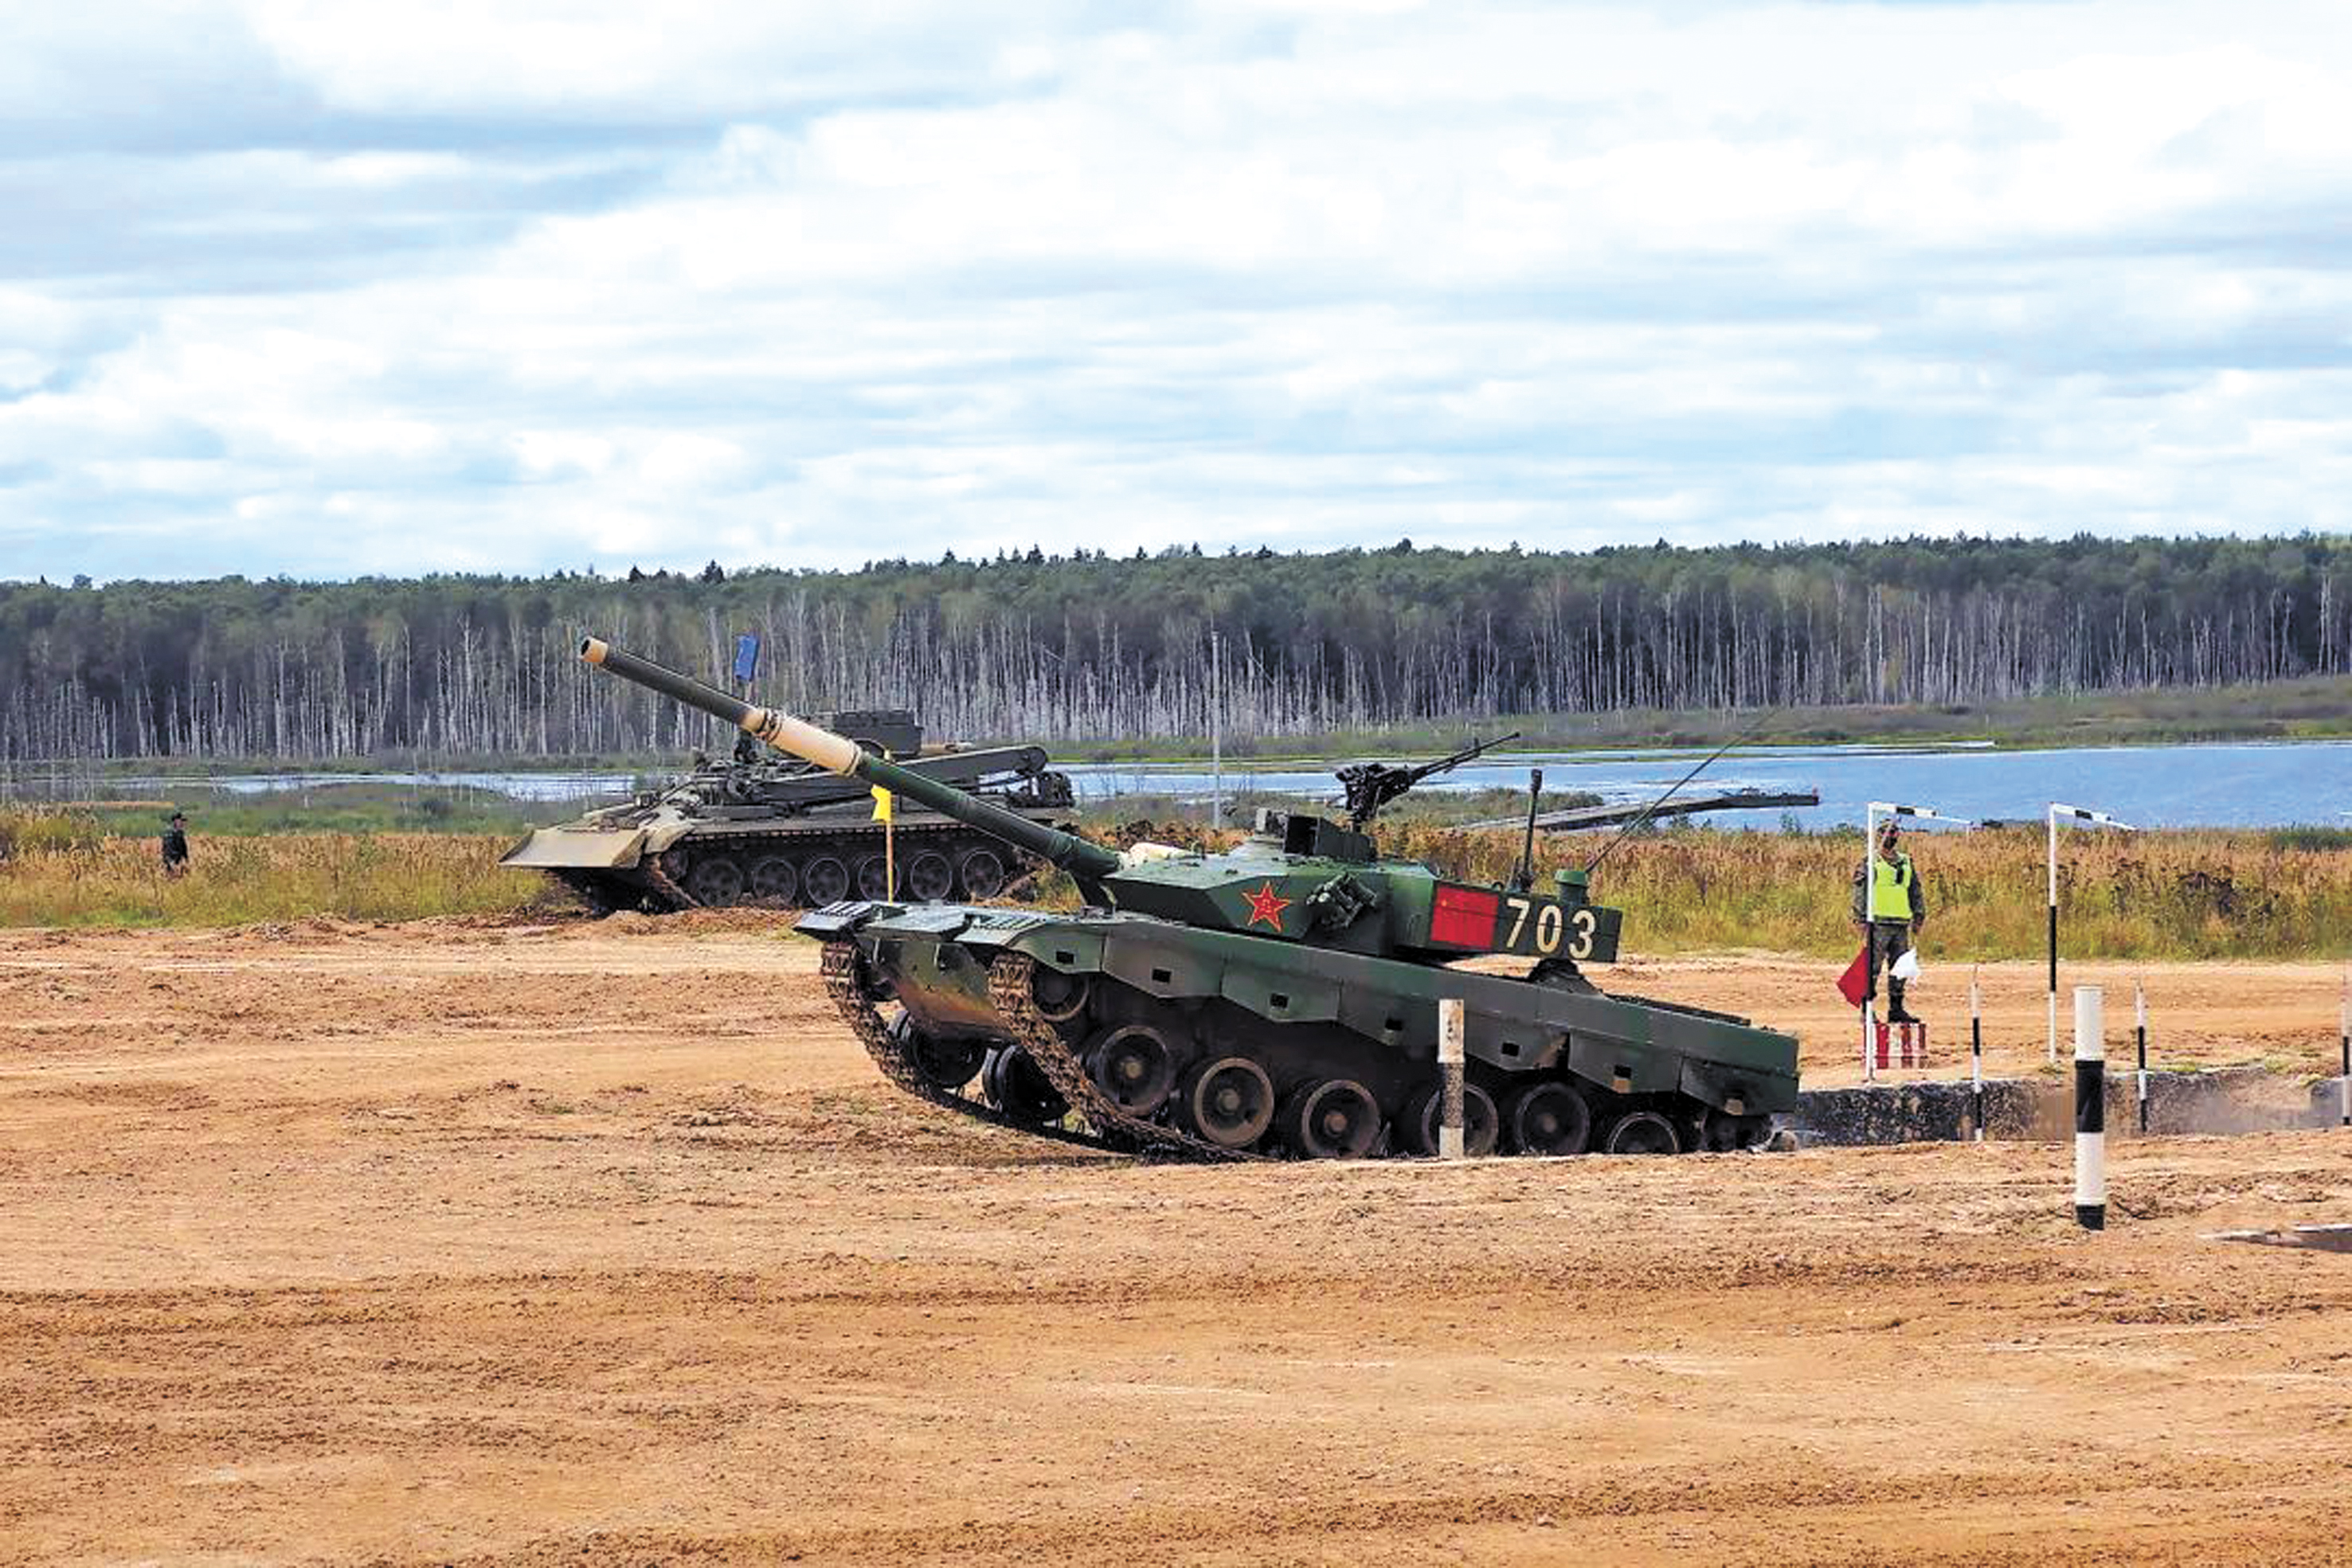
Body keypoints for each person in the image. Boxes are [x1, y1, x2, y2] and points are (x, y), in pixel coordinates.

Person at [1850, 819, 1927, 1023]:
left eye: (1895, 832)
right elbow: (1859, 890)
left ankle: (1896, 1009)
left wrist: (1919, 915)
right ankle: (1867, 1010)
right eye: (1888, 832)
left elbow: (1915, 889)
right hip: (1878, 923)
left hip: (1901, 923)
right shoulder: (1870, 861)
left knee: (1900, 968)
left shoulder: (1906, 861)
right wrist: (1860, 919)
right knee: (1872, 968)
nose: (1892, 835)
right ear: (1879, 834)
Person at [160, 811, 190, 876]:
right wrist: (176, 863)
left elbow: (183, 848)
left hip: (174, 862)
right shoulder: (173, 834)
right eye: (181, 821)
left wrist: (185, 859)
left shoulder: (177, 833)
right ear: (176, 822)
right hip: (174, 862)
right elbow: (169, 850)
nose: (183, 824)